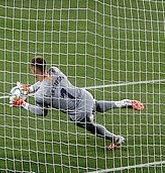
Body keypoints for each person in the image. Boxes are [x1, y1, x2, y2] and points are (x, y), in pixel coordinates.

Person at [10, 57, 145, 151]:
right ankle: (121, 103)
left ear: (33, 70)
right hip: (84, 95)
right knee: (95, 105)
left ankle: (116, 139)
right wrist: (30, 89)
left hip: (78, 113)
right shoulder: (54, 70)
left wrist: (23, 104)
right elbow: (46, 80)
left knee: (91, 127)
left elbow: (42, 112)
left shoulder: (40, 96)